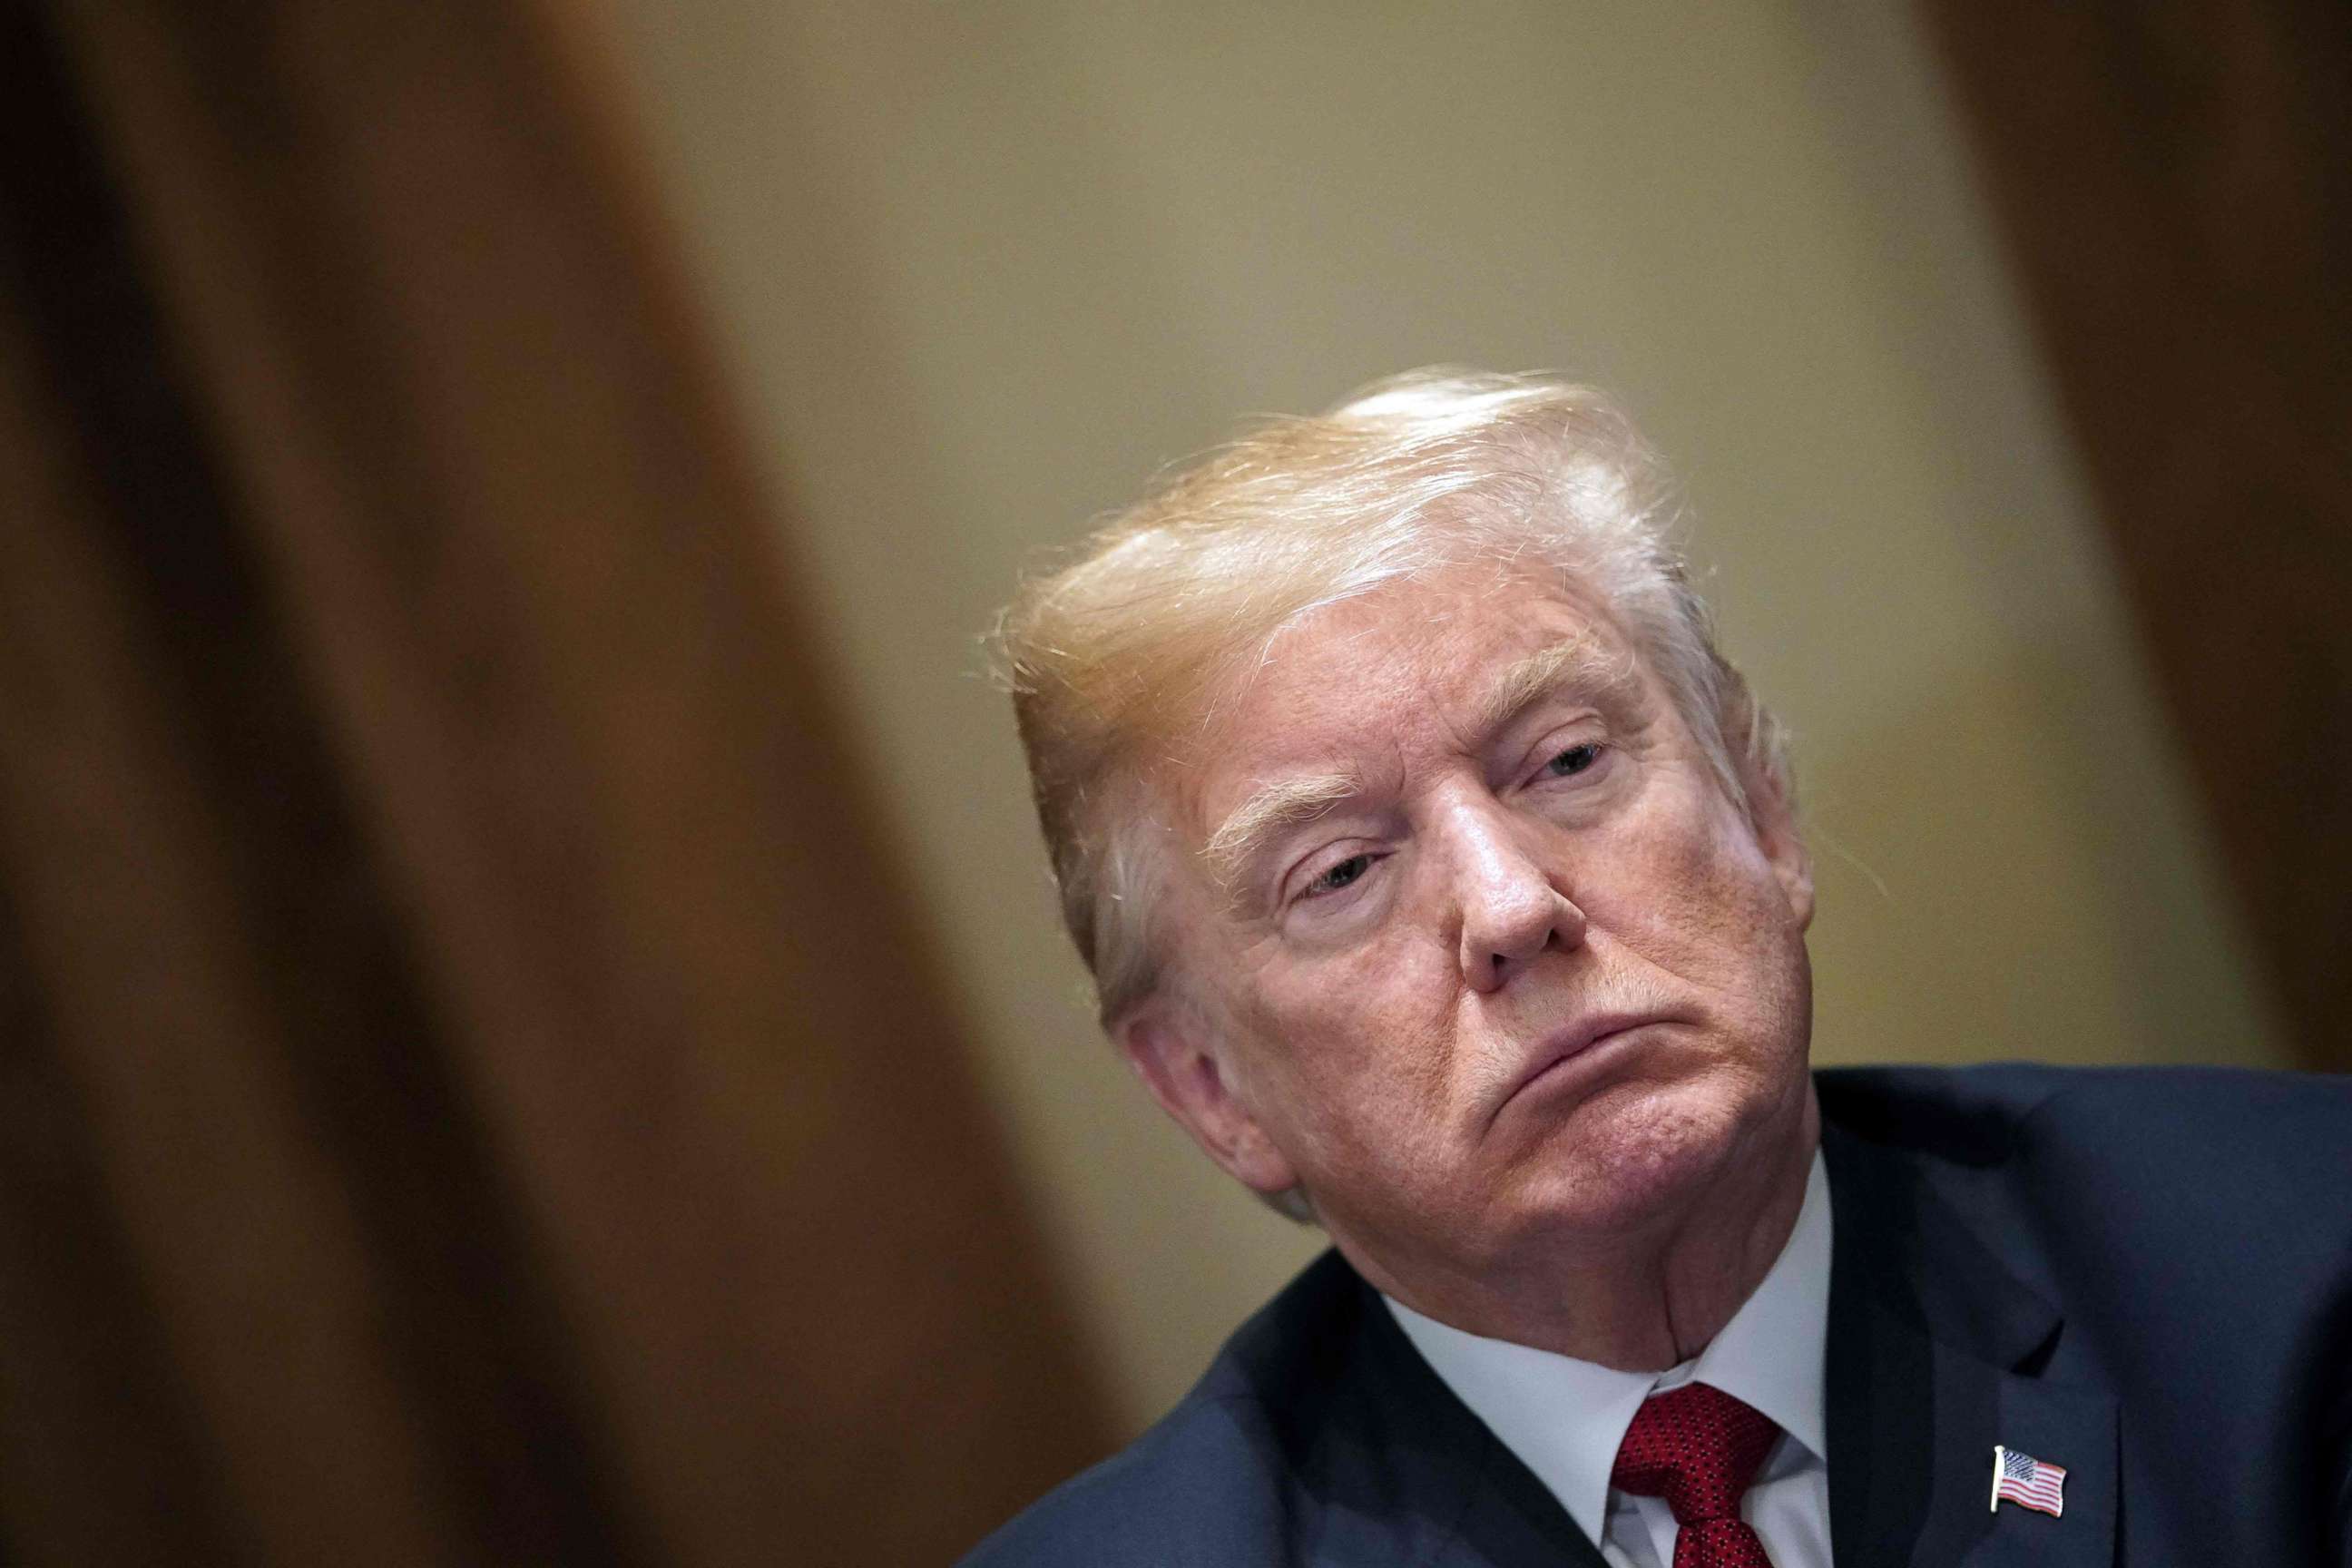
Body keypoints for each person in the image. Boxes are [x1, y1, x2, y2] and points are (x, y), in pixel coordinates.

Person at [964, 370, 2352, 1566]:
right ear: (1211, 1089)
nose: (1512, 907)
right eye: (1340, 872)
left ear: (1761, 806)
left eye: (1568, 763)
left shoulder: (2300, 1274)